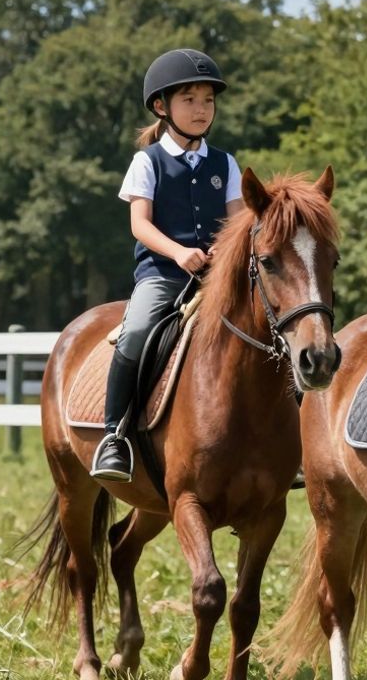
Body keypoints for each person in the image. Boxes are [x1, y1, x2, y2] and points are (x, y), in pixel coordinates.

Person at [90, 49, 243, 481]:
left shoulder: (225, 163)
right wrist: (178, 253)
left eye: (208, 100)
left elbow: (236, 220)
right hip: (162, 275)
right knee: (136, 334)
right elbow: (139, 224)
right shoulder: (148, 161)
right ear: (162, 107)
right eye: (190, 99)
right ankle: (114, 436)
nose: (201, 109)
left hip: (215, 278)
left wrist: (224, 252)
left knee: (269, 331)